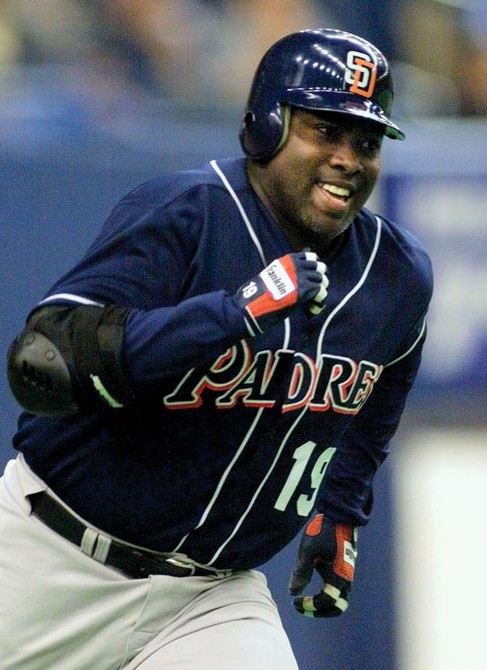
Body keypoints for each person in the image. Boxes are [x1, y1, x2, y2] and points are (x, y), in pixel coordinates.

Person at [1, 28, 433, 670]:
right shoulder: (188, 212)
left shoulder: (395, 275)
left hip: (209, 598)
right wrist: (230, 314)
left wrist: (341, 509)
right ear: (266, 126)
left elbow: (382, 388)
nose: (348, 158)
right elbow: (43, 359)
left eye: (365, 142)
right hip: (49, 557)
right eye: (323, 130)